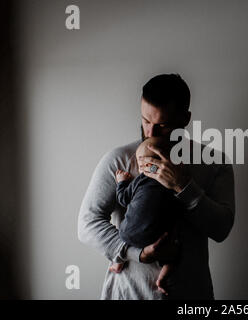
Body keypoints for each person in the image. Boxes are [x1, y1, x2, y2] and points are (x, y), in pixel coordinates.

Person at [78, 73, 235, 299]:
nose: (150, 133)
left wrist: (183, 186)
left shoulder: (214, 163)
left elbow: (221, 229)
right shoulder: (119, 160)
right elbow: (87, 224)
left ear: (185, 119)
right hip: (128, 294)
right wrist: (139, 254)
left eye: (162, 125)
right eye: (145, 121)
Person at [111, 137, 184, 297]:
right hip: (158, 240)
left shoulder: (140, 181)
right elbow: (180, 209)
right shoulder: (172, 183)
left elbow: (123, 199)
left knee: (123, 238)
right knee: (174, 254)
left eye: (139, 161)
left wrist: (121, 182)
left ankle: (118, 262)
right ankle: (162, 278)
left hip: (127, 233)